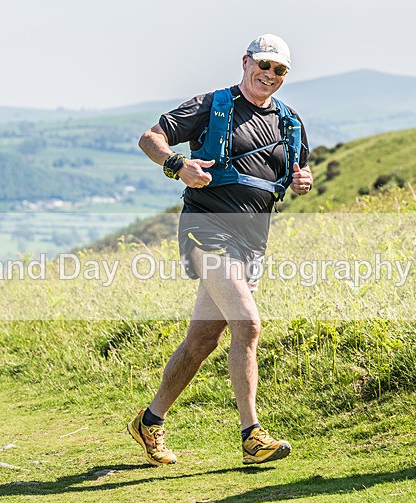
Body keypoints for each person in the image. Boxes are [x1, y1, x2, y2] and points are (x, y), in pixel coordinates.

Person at [128, 34, 313, 465]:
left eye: (279, 70)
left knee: (203, 339)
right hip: (205, 229)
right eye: (263, 65)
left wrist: (303, 182)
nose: (269, 75)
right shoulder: (212, 105)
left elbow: (298, 173)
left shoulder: (290, 122)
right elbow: (149, 138)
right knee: (247, 324)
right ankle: (252, 436)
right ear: (246, 62)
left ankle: (149, 421)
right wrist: (178, 165)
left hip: (252, 242)